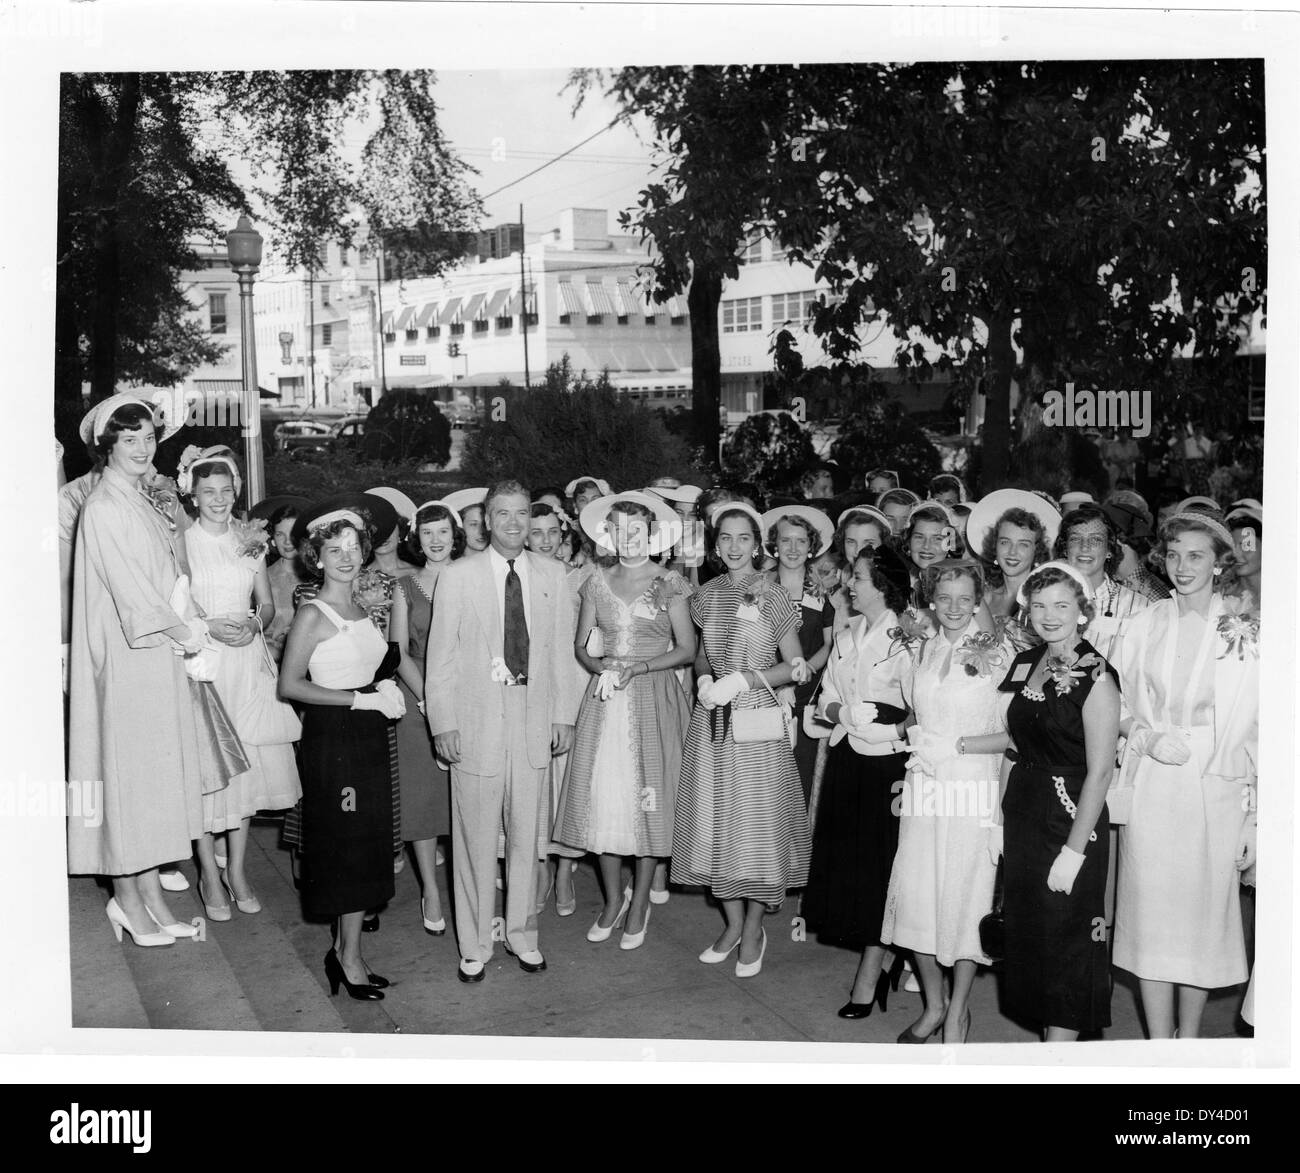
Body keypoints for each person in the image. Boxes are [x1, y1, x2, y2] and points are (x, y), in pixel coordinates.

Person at [67, 397, 244, 947]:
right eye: (130, 439)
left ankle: (148, 895)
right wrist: (184, 630)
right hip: (126, 660)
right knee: (125, 780)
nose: (143, 448)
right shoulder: (104, 506)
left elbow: (167, 575)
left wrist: (186, 619)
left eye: (148, 436)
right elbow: (133, 591)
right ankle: (126, 900)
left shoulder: (141, 499)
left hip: (153, 657)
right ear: (108, 447)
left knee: (147, 781)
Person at [425, 480, 584, 983]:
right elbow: (440, 659)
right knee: (473, 838)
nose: (514, 524)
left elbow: (560, 652)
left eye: (522, 514)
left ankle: (522, 934)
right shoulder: (458, 576)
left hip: (533, 717)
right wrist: (444, 724)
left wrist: (563, 715)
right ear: (486, 519)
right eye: (503, 514)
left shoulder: (554, 575)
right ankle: (473, 945)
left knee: (526, 838)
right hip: (474, 722)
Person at [1111, 514, 1258, 1038]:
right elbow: (1116, 703)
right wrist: (1144, 737)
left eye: (1195, 555)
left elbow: (1258, 728)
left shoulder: (1242, 627)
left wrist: (1253, 820)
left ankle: (1188, 1041)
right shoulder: (1145, 621)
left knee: (1200, 918)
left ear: (1219, 563)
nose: (1182, 566)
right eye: (1173, 555)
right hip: (1154, 777)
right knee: (1151, 910)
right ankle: (1158, 1043)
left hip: (1214, 784)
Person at [672, 503, 813, 977]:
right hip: (710, 721)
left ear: (758, 544)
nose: (734, 547)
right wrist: (706, 678)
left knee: (754, 829)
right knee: (714, 826)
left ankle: (754, 928)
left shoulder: (773, 596)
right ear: (715, 545)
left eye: (743, 539)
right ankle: (731, 923)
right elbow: (699, 656)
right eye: (726, 539)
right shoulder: (704, 595)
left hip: (754, 724)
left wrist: (746, 680)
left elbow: (795, 665)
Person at [554, 492, 695, 948]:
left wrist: (641, 667)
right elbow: (582, 645)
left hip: (654, 695)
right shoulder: (595, 580)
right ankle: (613, 900)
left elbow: (687, 649)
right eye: (619, 529)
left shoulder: (669, 581)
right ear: (607, 534)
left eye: (637, 530)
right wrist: (603, 669)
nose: (628, 537)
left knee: (650, 800)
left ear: (651, 534)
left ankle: (640, 905)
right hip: (606, 697)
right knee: (606, 798)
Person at [278, 505, 403, 1000]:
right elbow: (291, 685)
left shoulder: (362, 610)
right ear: (318, 558)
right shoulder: (314, 613)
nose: (347, 557)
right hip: (334, 740)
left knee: (368, 847)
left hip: (368, 735)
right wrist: (358, 698)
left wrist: (382, 689)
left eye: (353, 547)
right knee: (347, 848)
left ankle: (347, 952)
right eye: (335, 550)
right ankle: (346, 958)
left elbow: (370, 663)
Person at [884, 560, 1011, 1043]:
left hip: (972, 783)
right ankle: (933, 1004)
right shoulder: (923, 648)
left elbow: (1012, 734)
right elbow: (917, 713)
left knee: (963, 896)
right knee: (918, 893)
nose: (955, 608)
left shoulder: (998, 656)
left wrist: (957, 747)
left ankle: (958, 1010)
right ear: (930, 600)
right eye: (945, 598)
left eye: (965, 598)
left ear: (979, 601)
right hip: (925, 784)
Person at [993, 562, 1120, 1041]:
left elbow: (1102, 769)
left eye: (1062, 605)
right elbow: (1013, 742)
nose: (1049, 615)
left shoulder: (1098, 675)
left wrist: (1074, 851)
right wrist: (995, 822)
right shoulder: (1026, 662)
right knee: (1033, 940)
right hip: (1024, 810)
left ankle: (1058, 1060)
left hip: (1069, 813)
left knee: (1065, 941)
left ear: (1083, 612)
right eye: (1040, 605)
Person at [181, 447, 302, 920]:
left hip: (246, 658)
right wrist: (207, 626)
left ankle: (237, 869)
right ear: (193, 495)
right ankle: (207, 873)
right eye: (208, 492)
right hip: (203, 660)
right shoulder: (182, 541)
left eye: (226, 491)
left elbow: (267, 603)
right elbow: (175, 603)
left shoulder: (250, 538)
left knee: (248, 762)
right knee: (209, 762)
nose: (218, 499)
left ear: (236, 493)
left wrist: (255, 623)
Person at [802, 544, 918, 1016]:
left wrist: (890, 728)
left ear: (884, 586)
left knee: (880, 866)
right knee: (851, 866)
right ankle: (880, 955)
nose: (851, 584)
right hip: (848, 755)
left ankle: (872, 970)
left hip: (889, 764)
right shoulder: (849, 632)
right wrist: (841, 712)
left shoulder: (908, 638)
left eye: (861, 578)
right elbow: (823, 697)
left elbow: (925, 709)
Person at [391, 500, 464, 935]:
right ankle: (431, 890)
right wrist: (429, 698)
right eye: (427, 533)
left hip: (466, 694)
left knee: (465, 792)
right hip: (417, 694)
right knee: (423, 797)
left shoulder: (474, 576)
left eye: (442, 532)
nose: (435, 541)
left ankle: (466, 884)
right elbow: (397, 650)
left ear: (455, 534)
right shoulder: (405, 586)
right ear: (416, 539)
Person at [760, 505, 837, 805]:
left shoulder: (822, 588)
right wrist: (777, 683)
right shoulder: (758, 586)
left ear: (811, 546)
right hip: (764, 692)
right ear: (774, 545)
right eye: (785, 540)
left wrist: (797, 679)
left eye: (801, 541)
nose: (793, 548)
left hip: (807, 696)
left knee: (801, 780)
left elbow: (829, 645)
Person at [1053, 503, 1150, 664]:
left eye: (1096, 539)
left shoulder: (1138, 607)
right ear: (1065, 548)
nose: (1085, 547)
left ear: (1109, 550)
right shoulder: (1046, 600)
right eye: (1076, 538)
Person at [967, 488, 1061, 650]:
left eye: (1023, 544)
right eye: (1005, 542)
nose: (1012, 552)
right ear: (994, 545)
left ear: (1036, 551)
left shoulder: (1045, 600)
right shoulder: (982, 596)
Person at [263, 500, 310, 662]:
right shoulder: (263, 578)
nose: (287, 541)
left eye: (293, 533)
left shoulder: (318, 577)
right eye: (280, 534)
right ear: (273, 540)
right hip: (269, 660)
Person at [1224, 503, 1262, 611]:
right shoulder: (1224, 599)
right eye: (1231, 547)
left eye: (1247, 545)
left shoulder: (1285, 596)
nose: (1236, 554)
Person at [442, 487, 489, 554]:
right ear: (460, 526)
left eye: (484, 524)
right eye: (473, 524)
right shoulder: (452, 563)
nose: (481, 531)